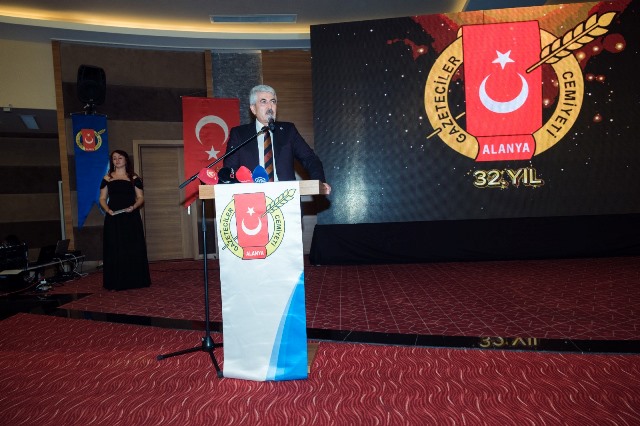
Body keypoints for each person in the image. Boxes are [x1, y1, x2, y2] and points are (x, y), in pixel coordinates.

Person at [223, 84, 331, 194]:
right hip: (251, 198)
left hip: (286, 197)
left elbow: (309, 158)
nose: (270, 106)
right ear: (253, 109)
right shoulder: (239, 134)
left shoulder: (288, 131)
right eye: (264, 102)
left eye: (273, 101)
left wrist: (320, 181)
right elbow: (230, 169)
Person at [99, 150, 151, 291]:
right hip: (113, 217)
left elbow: (140, 197)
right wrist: (107, 209)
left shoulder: (134, 178)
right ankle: (115, 281)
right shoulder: (107, 178)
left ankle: (135, 280)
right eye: (114, 158)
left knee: (132, 246)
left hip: (130, 216)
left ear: (126, 160)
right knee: (114, 246)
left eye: (120, 158)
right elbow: (102, 198)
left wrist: (133, 207)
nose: (117, 160)